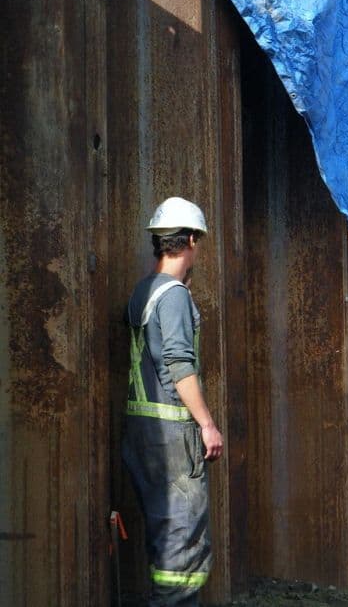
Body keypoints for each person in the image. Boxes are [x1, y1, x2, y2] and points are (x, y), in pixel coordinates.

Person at [122, 197, 223, 606]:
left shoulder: (143, 291)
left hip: (141, 434)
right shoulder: (174, 296)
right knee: (182, 545)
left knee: (165, 539)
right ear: (192, 240)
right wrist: (207, 425)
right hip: (172, 437)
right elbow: (179, 366)